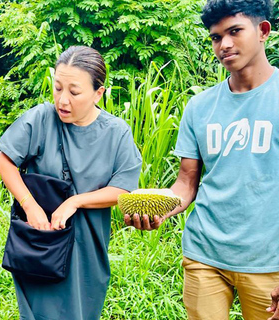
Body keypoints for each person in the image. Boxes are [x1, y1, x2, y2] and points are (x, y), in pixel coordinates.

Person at [124, 0, 279, 319]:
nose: (224, 44)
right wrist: (158, 209)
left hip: (269, 261)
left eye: (234, 31)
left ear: (263, 31)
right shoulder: (200, 107)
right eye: (215, 37)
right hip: (204, 255)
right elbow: (186, 182)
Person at [0, 46, 142, 319]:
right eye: (58, 88)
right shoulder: (40, 119)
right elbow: (5, 161)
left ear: (99, 93)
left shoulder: (116, 133)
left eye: (74, 92)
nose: (63, 100)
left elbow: (122, 188)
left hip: (88, 252)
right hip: (40, 245)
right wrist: (30, 206)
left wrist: (75, 201)